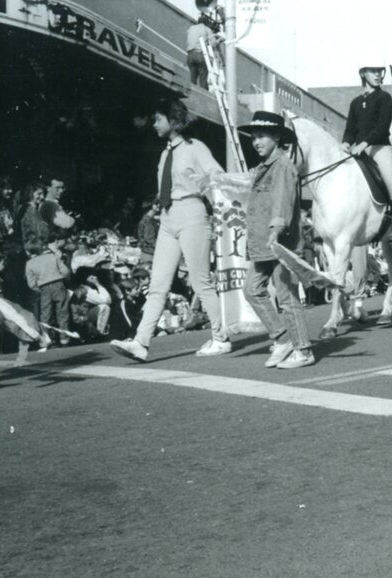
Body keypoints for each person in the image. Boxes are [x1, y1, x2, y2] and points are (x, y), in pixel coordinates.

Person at [111, 97, 229, 362]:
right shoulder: (165, 153)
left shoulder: (195, 148)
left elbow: (216, 176)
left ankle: (221, 337)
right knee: (157, 284)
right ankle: (141, 342)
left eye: (158, 119)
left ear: (173, 120)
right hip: (167, 218)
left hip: (192, 213)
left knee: (201, 281)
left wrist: (217, 209)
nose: (154, 124)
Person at [237, 110, 316, 369]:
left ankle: (303, 349)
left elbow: (283, 200)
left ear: (276, 138)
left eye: (261, 136)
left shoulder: (282, 166)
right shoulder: (264, 167)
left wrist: (276, 228)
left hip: (280, 241)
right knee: (252, 289)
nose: (256, 141)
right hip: (263, 242)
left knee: (287, 296)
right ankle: (283, 339)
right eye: (253, 138)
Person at [341, 62, 392, 249]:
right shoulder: (355, 102)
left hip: (380, 148)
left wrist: (363, 144)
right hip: (359, 150)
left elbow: (382, 127)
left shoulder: (385, 98)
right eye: (373, 71)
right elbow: (350, 129)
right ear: (363, 73)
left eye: (380, 71)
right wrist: (346, 143)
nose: (378, 75)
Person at [25, 239, 71, 347]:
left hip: (43, 288)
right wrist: (60, 279)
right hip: (58, 284)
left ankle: (46, 339)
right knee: (62, 312)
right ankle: (64, 338)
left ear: (28, 252)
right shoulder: (53, 257)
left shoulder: (29, 264)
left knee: (45, 314)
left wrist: (39, 289)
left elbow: (31, 283)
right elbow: (65, 271)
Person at [186, 15, 219, 90]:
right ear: (206, 23)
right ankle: (204, 96)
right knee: (203, 80)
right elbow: (213, 44)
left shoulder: (191, 28)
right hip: (201, 55)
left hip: (190, 55)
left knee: (192, 79)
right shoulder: (207, 29)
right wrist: (219, 40)